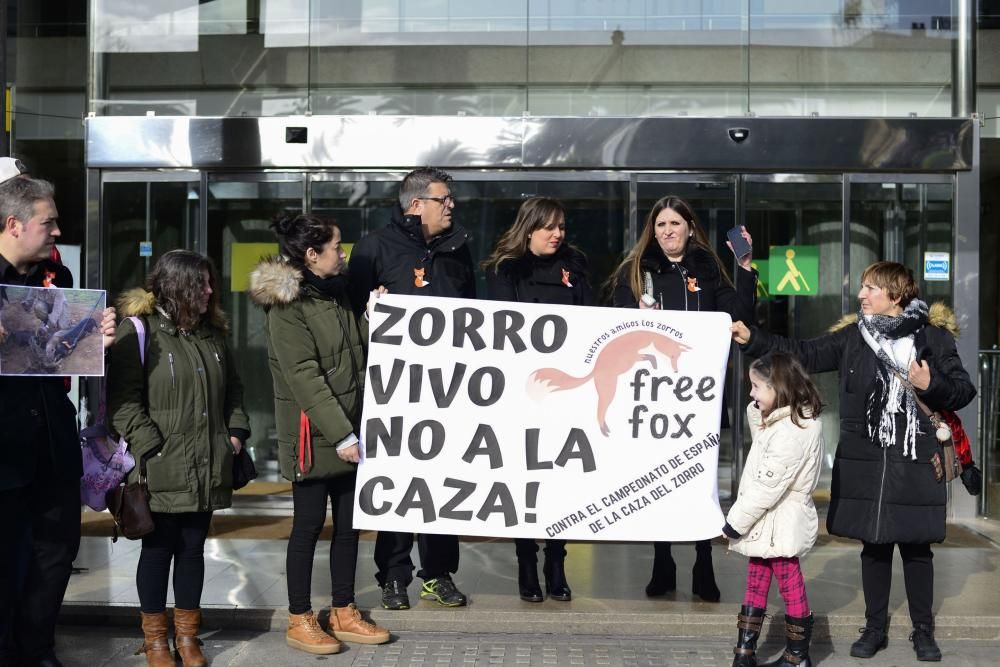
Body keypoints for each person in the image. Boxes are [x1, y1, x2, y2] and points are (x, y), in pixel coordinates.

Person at [731, 261, 976, 662]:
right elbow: (803, 353)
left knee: (917, 550)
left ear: (894, 295)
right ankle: (875, 628)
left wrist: (931, 385)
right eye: (862, 288)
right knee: (874, 546)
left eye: (870, 288)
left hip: (915, 457)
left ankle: (923, 632)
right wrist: (753, 339)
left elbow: (963, 389)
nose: (861, 295)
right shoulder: (854, 337)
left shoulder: (932, 338)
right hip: (866, 459)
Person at [249, 214, 390, 655]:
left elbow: (354, 353)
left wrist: (369, 317)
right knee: (308, 526)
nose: (342, 252)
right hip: (317, 434)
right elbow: (305, 378)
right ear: (312, 255)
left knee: (349, 526)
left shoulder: (338, 293)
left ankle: (343, 610)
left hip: (349, 429)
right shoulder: (288, 308)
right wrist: (344, 435)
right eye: (336, 246)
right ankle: (299, 617)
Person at [611, 195, 756, 602]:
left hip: (701, 401)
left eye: (675, 224)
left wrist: (743, 268)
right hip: (656, 399)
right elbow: (617, 329)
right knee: (660, 481)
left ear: (690, 228)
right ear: (652, 231)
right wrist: (635, 315)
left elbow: (741, 315)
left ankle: (703, 560)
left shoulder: (708, 269)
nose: (668, 232)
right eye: (661, 225)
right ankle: (662, 561)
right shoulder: (636, 272)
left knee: (701, 483)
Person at [108, 250, 249, 667]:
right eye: (201, 284)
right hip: (160, 466)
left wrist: (236, 434)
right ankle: (155, 642)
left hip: (209, 462)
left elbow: (235, 390)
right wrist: (153, 446)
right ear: (176, 286)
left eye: (210, 283)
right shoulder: (138, 333)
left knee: (192, 550)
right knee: (157, 551)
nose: (209, 291)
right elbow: (122, 402)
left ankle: (188, 638)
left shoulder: (214, 334)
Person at [0, 162, 116, 667]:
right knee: (6, 561)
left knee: (56, 554)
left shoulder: (59, 277)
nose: (58, 232)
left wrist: (96, 338)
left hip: (52, 441)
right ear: (13, 225)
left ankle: (39, 650)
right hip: (3, 451)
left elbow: (60, 353)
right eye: (49, 223)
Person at [348, 167, 475, 610]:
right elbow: (351, 322)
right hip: (395, 395)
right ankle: (394, 575)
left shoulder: (459, 249)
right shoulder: (374, 249)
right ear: (416, 204)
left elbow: (477, 317)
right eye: (444, 199)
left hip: (449, 391)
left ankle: (438, 574)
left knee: (442, 484)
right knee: (398, 484)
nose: (452, 206)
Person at [482, 196, 594, 603]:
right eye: (549, 227)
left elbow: (590, 323)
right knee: (525, 480)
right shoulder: (504, 269)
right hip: (520, 396)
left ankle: (556, 562)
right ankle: (526, 562)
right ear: (529, 228)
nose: (557, 234)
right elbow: (499, 331)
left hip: (565, 394)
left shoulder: (575, 266)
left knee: (560, 478)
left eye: (562, 226)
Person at [723, 353, 823, 667]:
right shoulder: (785, 423)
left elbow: (768, 486)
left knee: (789, 582)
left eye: (756, 387)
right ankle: (745, 653)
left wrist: (734, 523)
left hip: (781, 518)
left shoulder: (794, 430)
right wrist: (759, 413)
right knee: (756, 579)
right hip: (769, 519)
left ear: (777, 387)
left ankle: (796, 657)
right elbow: (767, 447)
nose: (751, 393)